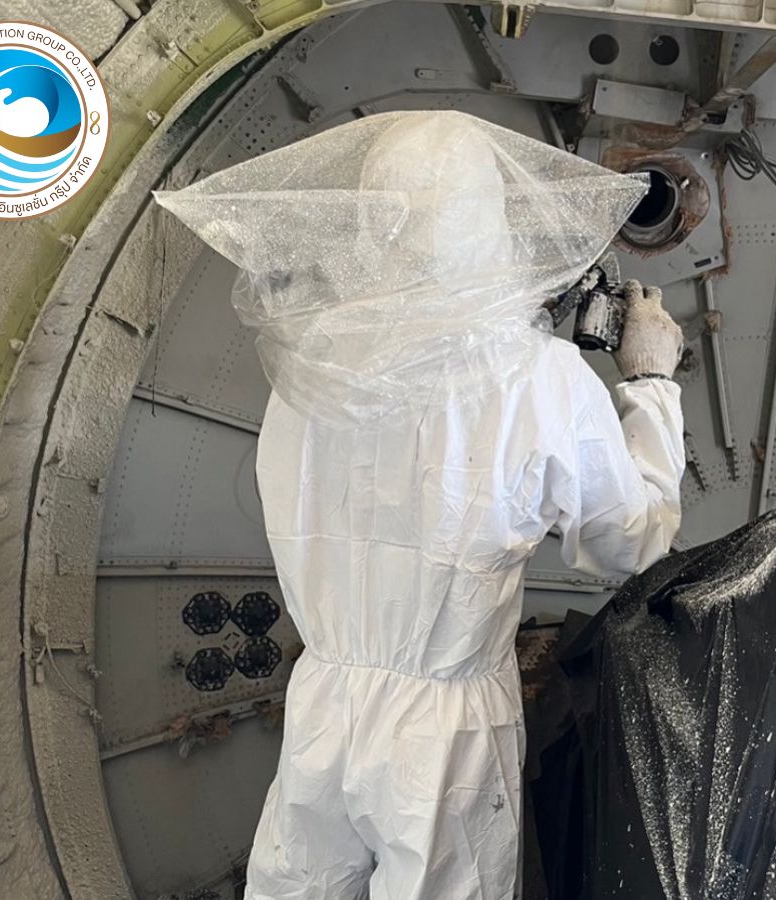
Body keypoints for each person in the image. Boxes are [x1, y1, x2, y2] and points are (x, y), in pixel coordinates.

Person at [157, 111, 686, 900]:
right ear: (489, 221)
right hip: (446, 735)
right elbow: (629, 545)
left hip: (324, 709)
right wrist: (650, 386)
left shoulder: (311, 365)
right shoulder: (539, 379)